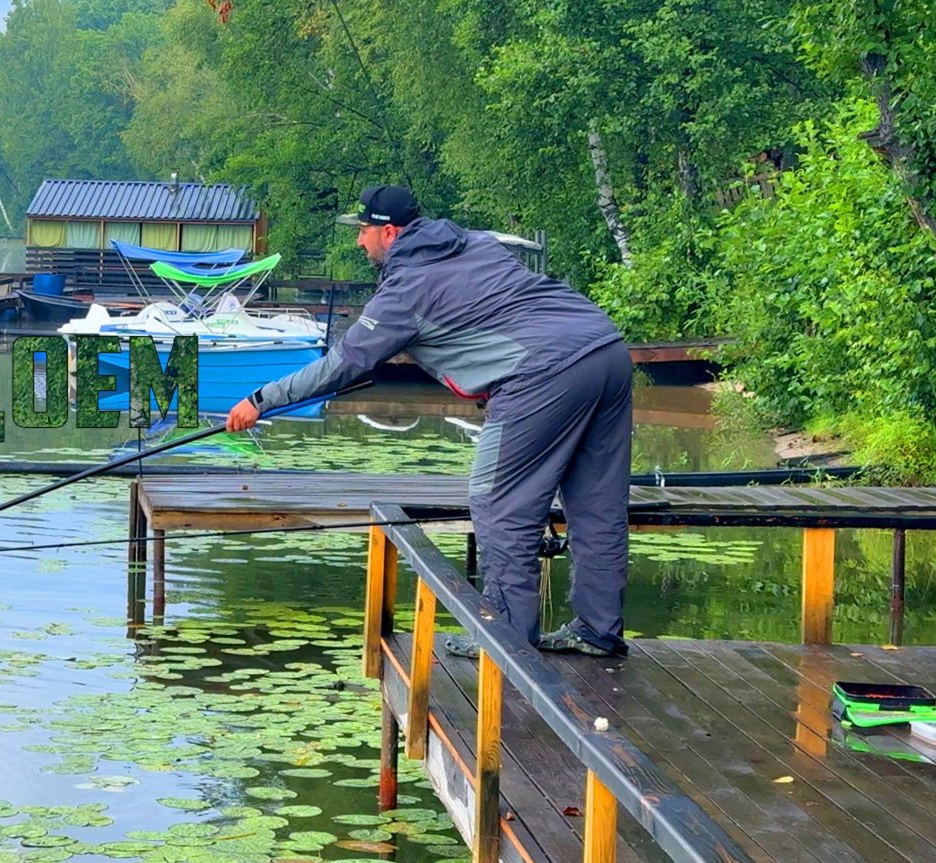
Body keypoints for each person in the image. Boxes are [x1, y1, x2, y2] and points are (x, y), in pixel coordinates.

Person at [227, 185, 633, 658]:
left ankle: (504, 640)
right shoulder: (476, 242)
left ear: (389, 233)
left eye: (364, 231)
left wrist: (261, 400)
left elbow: (342, 365)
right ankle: (598, 631)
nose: (359, 241)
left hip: (541, 374)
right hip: (606, 349)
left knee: (498, 504)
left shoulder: (404, 292)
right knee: (598, 505)